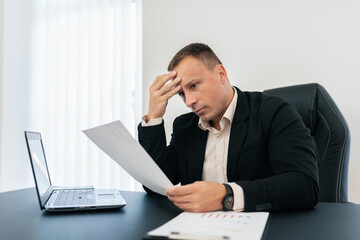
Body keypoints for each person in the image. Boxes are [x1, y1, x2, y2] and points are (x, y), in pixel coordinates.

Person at [138, 43, 319, 212]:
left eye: (194, 85)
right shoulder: (184, 126)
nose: (189, 101)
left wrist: (227, 195)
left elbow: (304, 185)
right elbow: (157, 186)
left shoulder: (273, 112)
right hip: (198, 230)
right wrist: (154, 117)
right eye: (182, 94)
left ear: (221, 74)